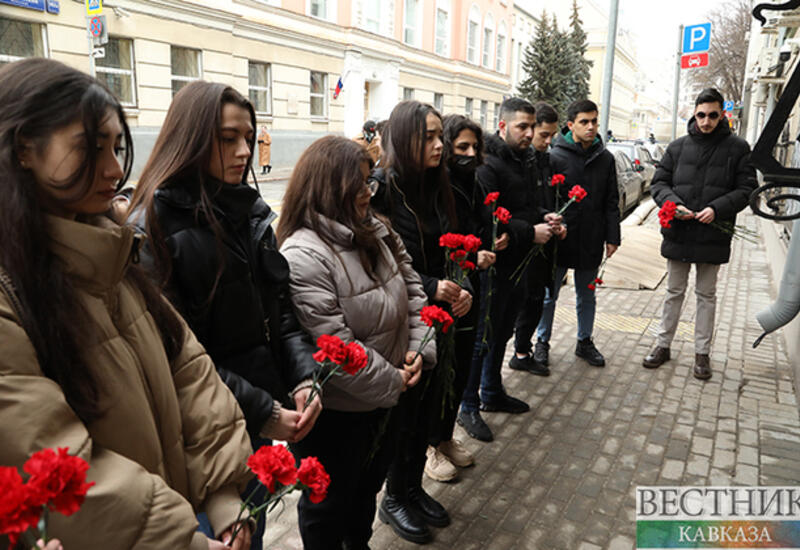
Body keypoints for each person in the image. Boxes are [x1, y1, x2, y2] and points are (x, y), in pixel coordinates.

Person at [0, 58, 252, 550]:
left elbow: (187, 365)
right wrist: (188, 540)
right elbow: (52, 460)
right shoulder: (12, 290)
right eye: (91, 148)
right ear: (24, 149)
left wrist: (222, 494)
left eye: (117, 147)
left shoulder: (111, 252)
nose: (116, 170)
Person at [127, 81, 321, 548]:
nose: (242, 151)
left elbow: (282, 312)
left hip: (258, 421)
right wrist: (263, 410)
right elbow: (175, 358)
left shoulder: (249, 211)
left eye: (248, 139)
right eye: (226, 138)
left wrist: (302, 378)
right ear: (189, 138)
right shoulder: (151, 226)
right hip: (199, 439)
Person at [277, 135, 435, 550]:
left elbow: (414, 290)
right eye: (361, 184)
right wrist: (393, 381)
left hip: (385, 395)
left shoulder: (376, 230)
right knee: (327, 510)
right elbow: (335, 344)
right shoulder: (303, 255)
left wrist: (418, 351)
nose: (369, 193)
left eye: (371, 183)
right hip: (340, 415)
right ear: (330, 187)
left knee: (365, 494)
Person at [371, 100, 472, 543]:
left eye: (439, 137)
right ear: (403, 139)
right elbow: (383, 262)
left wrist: (459, 283)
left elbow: (447, 245)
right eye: (429, 137)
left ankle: (411, 490)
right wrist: (432, 286)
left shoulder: (435, 184)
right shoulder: (383, 189)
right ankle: (393, 499)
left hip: (436, 313)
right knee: (404, 414)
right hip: (402, 320)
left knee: (426, 408)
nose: (439, 146)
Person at [458, 98, 558, 443]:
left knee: (501, 331)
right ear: (503, 126)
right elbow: (491, 219)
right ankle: (468, 405)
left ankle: (491, 391)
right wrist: (530, 232)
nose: (530, 133)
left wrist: (544, 216)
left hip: (519, 263)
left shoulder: (526, 159)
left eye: (532, 127)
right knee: (482, 336)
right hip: (494, 266)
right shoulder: (489, 163)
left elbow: (523, 207)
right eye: (522, 127)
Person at [644, 88, 756, 380]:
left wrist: (717, 209)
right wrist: (674, 204)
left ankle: (702, 354)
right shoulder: (678, 147)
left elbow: (747, 189)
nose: (706, 121)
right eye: (701, 115)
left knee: (706, 294)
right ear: (694, 114)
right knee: (673, 292)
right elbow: (659, 183)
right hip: (679, 230)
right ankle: (663, 345)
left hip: (712, 234)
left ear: (723, 115)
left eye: (712, 115)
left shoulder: (738, 148)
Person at [421, 114, 498, 481]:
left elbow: (476, 228)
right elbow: (440, 243)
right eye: (461, 147)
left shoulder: (476, 181)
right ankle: (429, 447)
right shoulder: (439, 185)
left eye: (474, 147)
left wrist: (487, 246)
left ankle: (445, 436)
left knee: (462, 363)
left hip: (469, 285)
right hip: (444, 289)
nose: (469, 153)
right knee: (440, 370)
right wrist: (469, 258)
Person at [535, 99, 620, 368]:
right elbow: (545, 197)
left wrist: (612, 236)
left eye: (594, 121)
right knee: (550, 294)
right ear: (571, 125)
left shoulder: (604, 158)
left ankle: (584, 342)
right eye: (584, 122)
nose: (591, 127)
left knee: (587, 294)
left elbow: (611, 200)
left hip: (591, 237)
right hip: (561, 238)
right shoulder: (555, 156)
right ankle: (542, 341)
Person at [511, 102, 566, 376]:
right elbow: (518, 207)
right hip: (523, 244)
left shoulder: (550, 160)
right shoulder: (521, 161)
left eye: (552, 135)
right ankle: (519, 352)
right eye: (543, 134)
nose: (547, 141)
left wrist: (556, 221)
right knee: (524, 302)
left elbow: (545, 203)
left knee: (538, 299)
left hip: (545, 241)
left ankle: (524, 351)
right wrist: (535, 227)